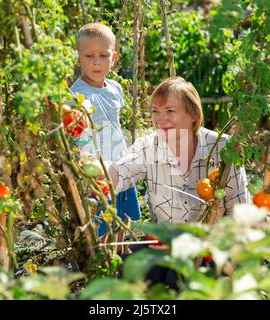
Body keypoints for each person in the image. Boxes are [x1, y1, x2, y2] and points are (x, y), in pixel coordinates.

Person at [108, 77, 250, 289]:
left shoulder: (222, 148)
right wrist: (95, 169)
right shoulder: (148, 147)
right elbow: (121, 172)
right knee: (130, 270)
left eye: (170, 111)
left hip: (207, 249)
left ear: (193, 114)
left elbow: (239, 210)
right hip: (160, 246)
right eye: (155, 112)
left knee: (185, 283)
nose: (160, 119)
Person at [70, 22, 141, 236]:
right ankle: (105, 262)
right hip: (97, 171)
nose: (97, 62)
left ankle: (123, 259)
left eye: (103, 55)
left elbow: (116, 124)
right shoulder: (77, 94)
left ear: (114, 57)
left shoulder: (115, 88)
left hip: (120, 165)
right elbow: (78, 136)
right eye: (89, 56)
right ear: (79, 58)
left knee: (125, 221)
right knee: (102, 223)